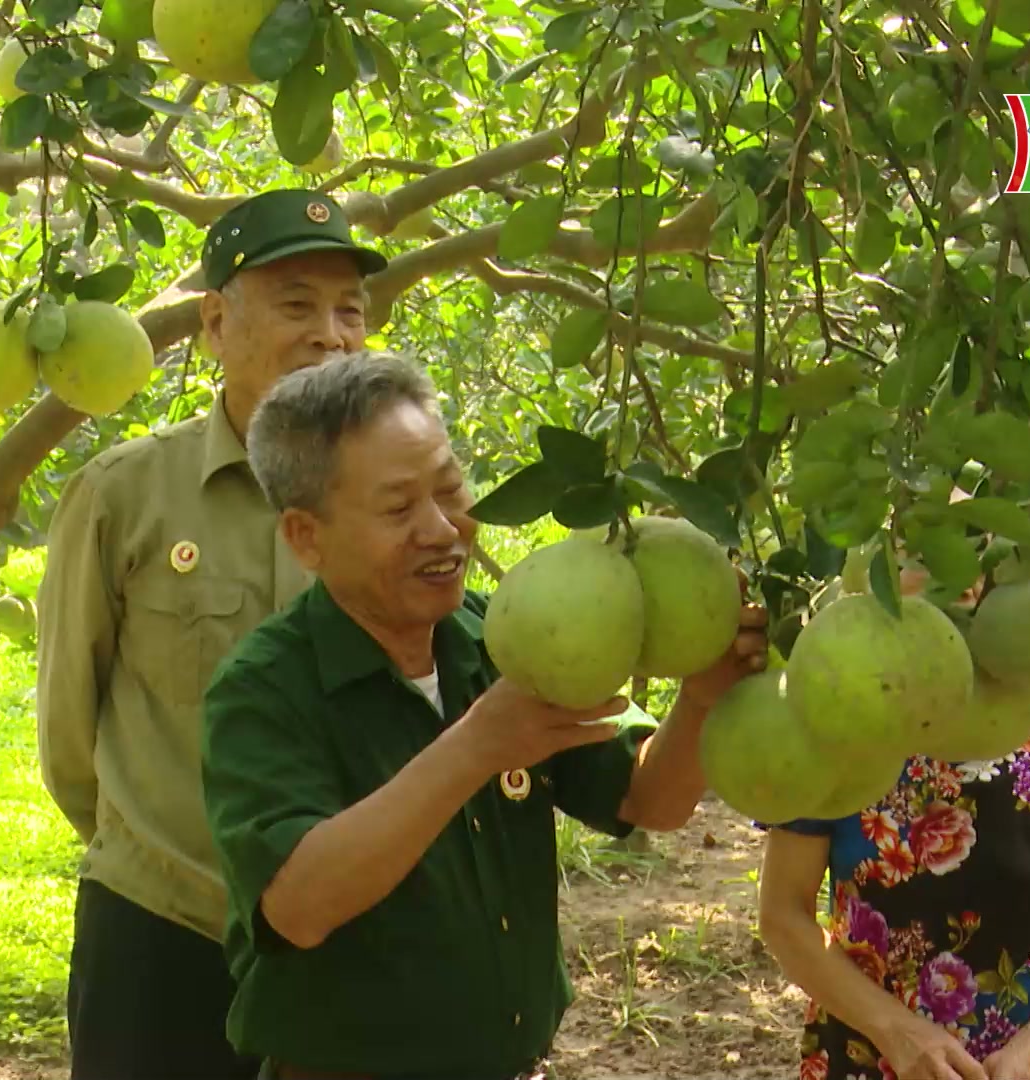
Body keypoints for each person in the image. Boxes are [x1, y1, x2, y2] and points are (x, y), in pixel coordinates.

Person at [198, 351, 771, 1080]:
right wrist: (474, 750)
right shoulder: (263, 691)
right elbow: (299, 906)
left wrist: (701, 698)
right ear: (307, 537)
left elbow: (648, 797)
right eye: (399, 508)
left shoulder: (501, 639)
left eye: (450, 488)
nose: (442, 529)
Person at [35, 188, 389, 1078]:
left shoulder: (403, 509)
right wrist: (164, 856)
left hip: (351, 939)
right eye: (297, 303)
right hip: (160, 939)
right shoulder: (125, 496)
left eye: (350, 310)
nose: (330, 333)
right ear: (215, 322)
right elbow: (69, 740)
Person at [756, 573, 1030, 1080]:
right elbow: (784, 914)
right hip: (874, 1054)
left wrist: (1029, 1054)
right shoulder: (838, 732)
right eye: (927, 553)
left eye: (976, 550)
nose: (959, 580)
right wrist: (896, 1033)